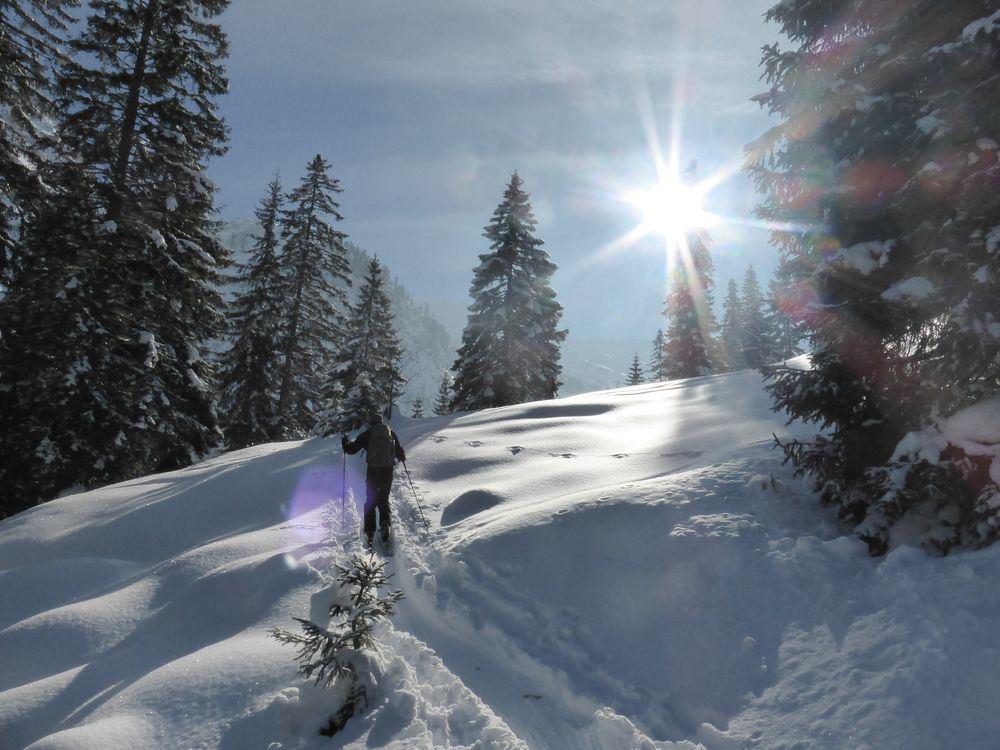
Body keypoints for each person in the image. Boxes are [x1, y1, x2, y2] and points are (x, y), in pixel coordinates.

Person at [342, 412, 406, 548]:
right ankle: (384, 526)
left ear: (371, 423)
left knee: (371, 499)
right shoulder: (390, 432)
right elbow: (401, 454)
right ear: (381, 422)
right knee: (383, 499)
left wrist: (345, 441)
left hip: (373, 471)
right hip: (387, 471)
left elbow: (351, 449)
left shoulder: (368, 433)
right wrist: (400, 457)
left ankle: (369, 532)